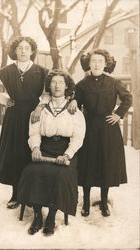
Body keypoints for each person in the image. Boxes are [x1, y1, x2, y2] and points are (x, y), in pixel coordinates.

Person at [17, 69, 86, 236]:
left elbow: (78, 138)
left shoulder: (73, 109)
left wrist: (67, 154)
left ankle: (52, 217)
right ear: (49, 85)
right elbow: (33, 132)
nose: (57, 85)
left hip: (64, 151)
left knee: (61, 175)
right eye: (53, 82)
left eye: (61, 82)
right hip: (45, 149)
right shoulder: (40, 109)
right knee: (32, 171)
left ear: (66, 86)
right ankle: (38, 216)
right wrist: (35, 148)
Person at [0, 36, 49, 209]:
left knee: (32, 151)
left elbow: (48, 91)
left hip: (34, 116)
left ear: (32, 51)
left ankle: (31, 194)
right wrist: (5, 101)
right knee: (14, 153)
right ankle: (16, 194)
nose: (23, 51)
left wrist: (40, 106)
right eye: (20, 48)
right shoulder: (7, 71)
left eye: (27, 48)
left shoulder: (41, 71)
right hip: (14, 116)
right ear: (15, 51)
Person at [69, 49, 132, 217]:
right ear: (89, 64)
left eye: (100, 61)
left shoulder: (114, 82)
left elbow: (128, 98)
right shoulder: (82, 84)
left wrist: (118, 114)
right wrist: (74, 100)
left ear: (106, 64)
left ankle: (104, 202)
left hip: (108, 129)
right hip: (88, 128)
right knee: (87, 164)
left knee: (106, 163)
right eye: (93, 61)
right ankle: (86, 202)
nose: (96, 64)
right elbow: (75, 99)